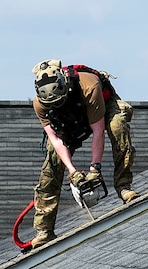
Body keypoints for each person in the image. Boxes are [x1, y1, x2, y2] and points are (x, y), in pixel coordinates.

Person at [30, 60, 137, 248]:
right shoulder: (40, 105)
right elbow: (55, 140)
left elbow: (98, 130)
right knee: (52, 163)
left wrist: (95, 168)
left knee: (117, 127)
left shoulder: (89, 85)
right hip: (69, 123)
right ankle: (45, 230)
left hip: (100, 110)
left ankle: (124, 186)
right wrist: (72, 172)